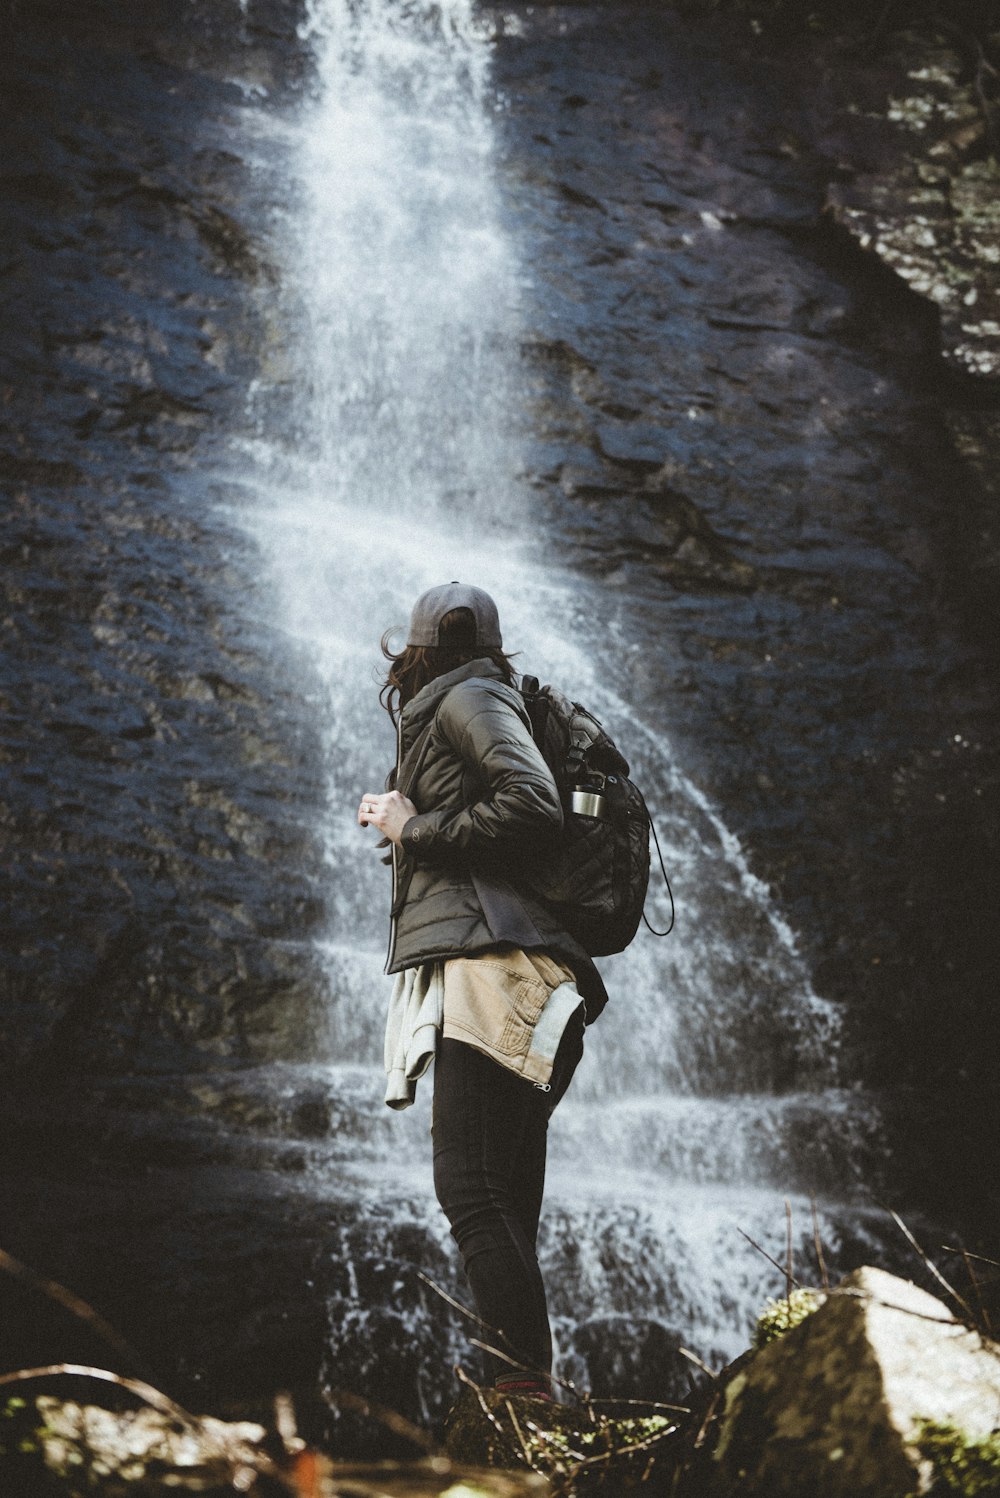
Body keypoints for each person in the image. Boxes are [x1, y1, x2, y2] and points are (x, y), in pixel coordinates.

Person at [357, 581, 607, 1403]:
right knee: (501, 1194)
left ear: (418, 651)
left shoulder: (467, 696)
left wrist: (411, 828)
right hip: (526, 970)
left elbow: (530, 802)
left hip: (499, 967)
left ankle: (522, 1394)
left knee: (468, 1183)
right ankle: (521, 1399)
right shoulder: (482, 697)